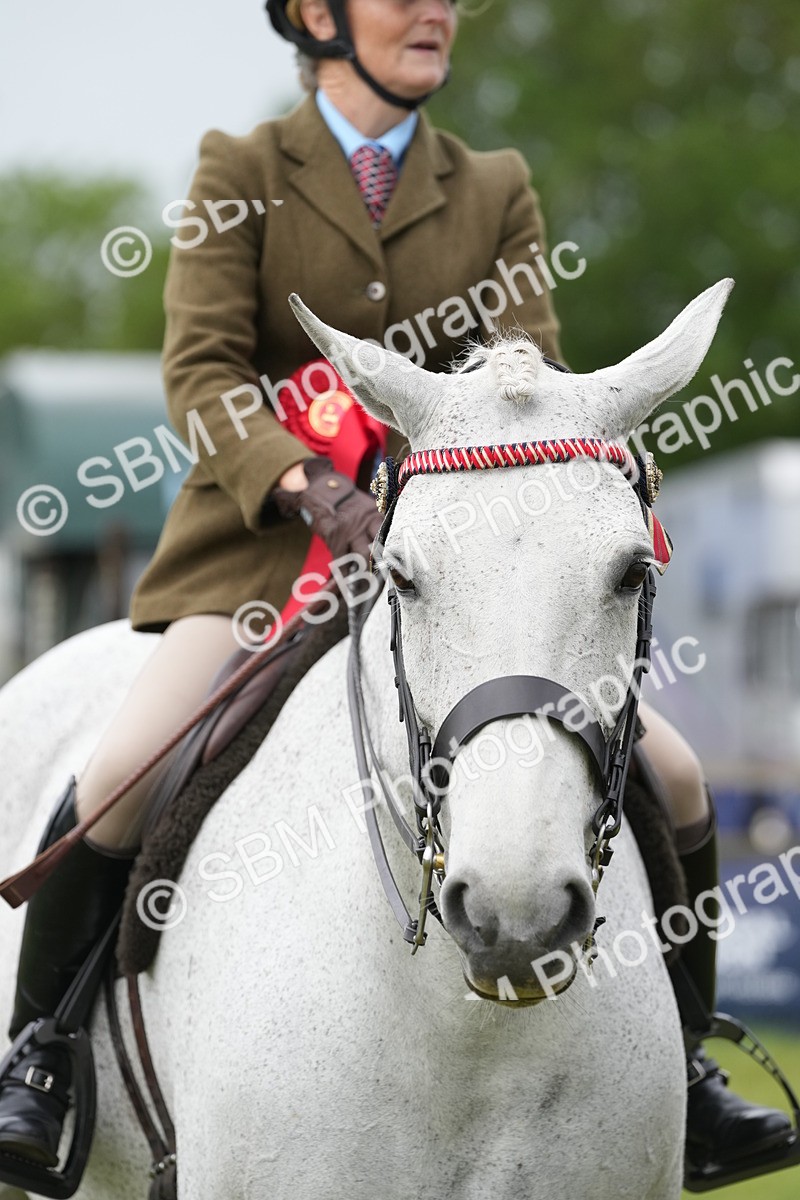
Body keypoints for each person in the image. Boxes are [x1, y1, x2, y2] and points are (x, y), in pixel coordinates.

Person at [0, 0, 792, 1185]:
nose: (435, 10)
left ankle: (681, 1068)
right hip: (261, 557)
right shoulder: (241, 170)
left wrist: (579, 453)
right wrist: (307, 487)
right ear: (317, 14)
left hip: (462, 558)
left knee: (670, 775)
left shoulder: (495, 186)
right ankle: (44, 1062)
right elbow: (203, 374)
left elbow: (528, 373)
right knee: (114, 779)